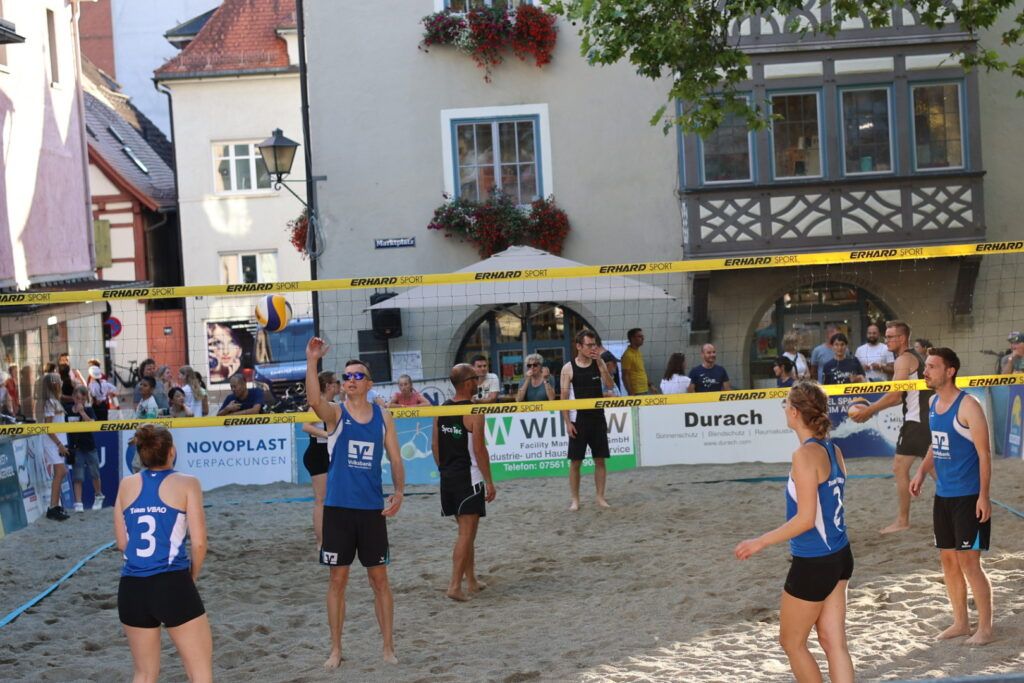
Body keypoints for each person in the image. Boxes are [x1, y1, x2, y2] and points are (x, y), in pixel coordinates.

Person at [735, 381, 854, 683]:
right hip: (840, 555)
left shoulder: (804, 456)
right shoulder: (834, 450)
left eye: (786, 404)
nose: (785, 409)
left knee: (792, 642)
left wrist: (760, 541)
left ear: (795, 412)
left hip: (815, 561)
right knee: (834, 643)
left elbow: (805, 519)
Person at [305, 339, 405, 667]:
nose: (350, 380)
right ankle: (335, 649)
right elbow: (313, 400)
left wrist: (399, 491)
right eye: (346, 376)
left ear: (369, 384)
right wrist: (312, 360)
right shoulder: (336, 413)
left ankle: (388, 647)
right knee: (337, 580)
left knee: (379, 580)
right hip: (338, 510)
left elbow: (395, 457)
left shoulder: (383, 416)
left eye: (357, 376)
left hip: (372, 510)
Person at [114, 424, 212, 683]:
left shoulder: (126, 484)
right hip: (171, 582)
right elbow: (199, 543)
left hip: (131, 587)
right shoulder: (188, 483)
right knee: (199, 673)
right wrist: (191, 577)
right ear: (172, 451)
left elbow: (122, 543)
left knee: (144, 674)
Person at [911, 347, 993, 646]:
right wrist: (921, 472)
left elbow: (984, 455)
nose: (926, 371)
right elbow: (937, 444)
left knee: (970, 563)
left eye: (932, 366)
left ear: (950, 371)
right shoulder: (933, 402)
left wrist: (984, 497)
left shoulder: (968, 405)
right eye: (926, 366)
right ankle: (961, 622)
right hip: (943, 495)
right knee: (948, 561)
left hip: (968, 497)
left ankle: (985, 628)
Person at [850, 320, 933, 534]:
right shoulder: (912, 357)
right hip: (923, 420)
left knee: (900, 468)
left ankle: (903, 521)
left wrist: (869, 410)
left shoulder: (904, 359)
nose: (885, 340)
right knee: (935, 470)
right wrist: (872, 408)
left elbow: (895, 395)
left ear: (902, 338)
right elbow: (899, 397)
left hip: (916, 422)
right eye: (885, 336)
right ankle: (964, 505)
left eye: (889, 336)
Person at [433, 363, 497, 602]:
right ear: (468, 383)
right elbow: (480, 450)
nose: (478, 381)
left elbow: (435, 446)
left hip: (448, 478)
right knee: (466, 534)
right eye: (475, 378)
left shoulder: (441, 410)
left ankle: (471, 580)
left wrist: (444, 470)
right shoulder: (474, 411)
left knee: (467, 533)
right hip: (469, 478)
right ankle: (454, 586)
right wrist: (489, 481)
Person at [560, 329, 614, 511]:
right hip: (578, 419)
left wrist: (601, 363)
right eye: (589, 345)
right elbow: (563, 398)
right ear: (579, 346)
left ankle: (600, 497)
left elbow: (610, 385)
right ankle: (575, 500)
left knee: (600, 460)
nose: (593, 348)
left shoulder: (599, 363)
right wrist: (568, 423)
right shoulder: (568, 368)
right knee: (576, 462)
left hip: (597, 417)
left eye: (594, 345)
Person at [302, 371, 340, 548]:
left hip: (328, 452)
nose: (339, 384)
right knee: (321, 500)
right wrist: (328, 434)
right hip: (318, 453)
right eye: (336, 382)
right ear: (329, 386)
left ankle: (332, 536)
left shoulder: (334, 404)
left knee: (332, 498)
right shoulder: (317, 404)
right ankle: (321, 543)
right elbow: (305, 426)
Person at [68, 385, 104, 512]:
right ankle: (78, 503)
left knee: (95, 473)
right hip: (76, 448)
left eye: (83, 399)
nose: (80, 401)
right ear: (73, 397)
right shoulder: (67, 410)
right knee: (77, 476)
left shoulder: (88, 410)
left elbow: (93, 425)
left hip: (89, 446)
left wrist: (82, 412)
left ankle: (98, 495)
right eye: (78, 398)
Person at [41, 372, 71, 521]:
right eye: (59, 381)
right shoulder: (50, 402)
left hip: (58, 442)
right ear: (55, 384)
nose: (62, 383)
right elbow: (48, 428)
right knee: (61, 471)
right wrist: (59, 445)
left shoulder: (55, 400)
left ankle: (55, 506)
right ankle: (52, 507)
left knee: (61, 472)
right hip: (53, 443)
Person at [621, 328, 654, 395]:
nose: (643, 338)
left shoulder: (637, 351)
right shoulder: (628, 355)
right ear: (632, 338)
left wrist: (650, 385)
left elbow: (642, 371)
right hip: (636, 391)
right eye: (639, 336)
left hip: (644, 389)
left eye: (643, 336)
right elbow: (625, 376)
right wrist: (630, 392)